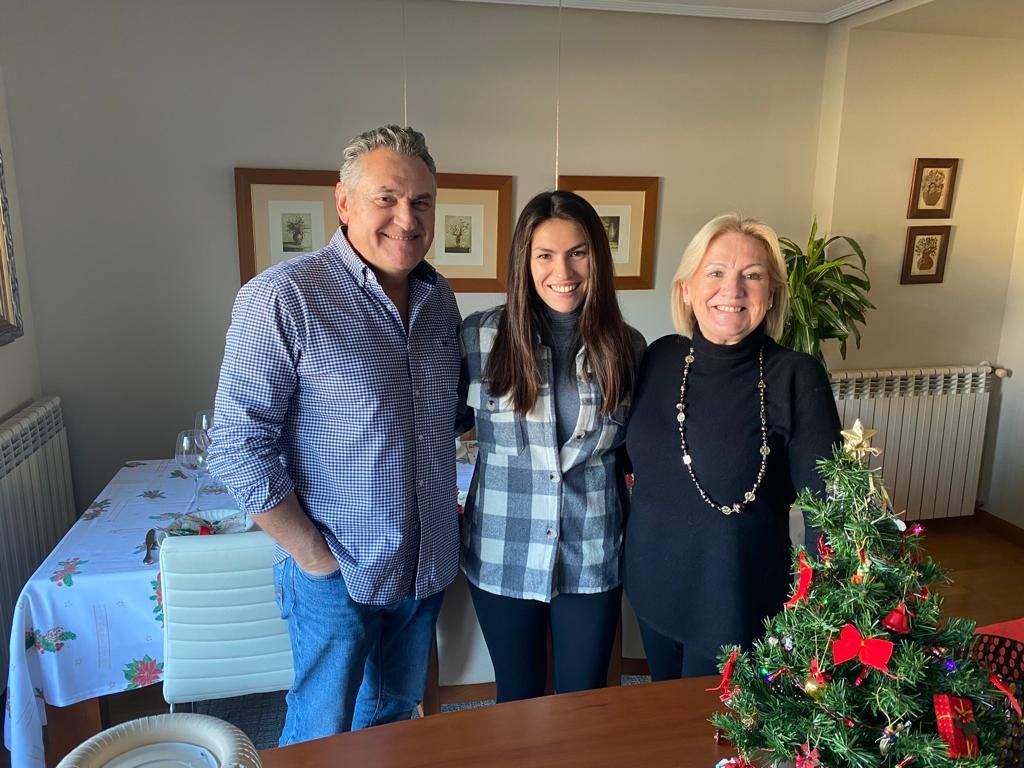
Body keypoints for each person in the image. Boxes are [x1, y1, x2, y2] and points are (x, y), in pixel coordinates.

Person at [207, 125, 461, 744]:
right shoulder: (283, 296)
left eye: (421, 201)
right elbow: (237, 444)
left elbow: (444, 421)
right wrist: (313, 559)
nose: (407, 218)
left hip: (422, 570)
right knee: (320, 734)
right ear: (344, 203)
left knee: (394, 722)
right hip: (335, 573)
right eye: (387, 198)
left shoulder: (440, 302)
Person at [623, 213, 840, 680]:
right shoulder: (659, 357)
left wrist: (828, 620)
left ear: (772, 294)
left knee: (717, 743)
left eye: (752, 276)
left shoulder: (796, 377)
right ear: (686, 287)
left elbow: (831, 510)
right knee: (664, 723)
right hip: (651, 588)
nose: (732, 289)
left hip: (736, 603)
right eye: (716, 272)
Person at [459, 190, 645, 702]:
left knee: (583, 703)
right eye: (545, 255)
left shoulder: (627, 348)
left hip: (591, 552)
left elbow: (639, 453)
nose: (563, 270)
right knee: (516, 699)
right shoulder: (479, 338)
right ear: (525, 260)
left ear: (597, 259)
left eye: (578, 252)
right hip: (502, 548)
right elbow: (440, 429)